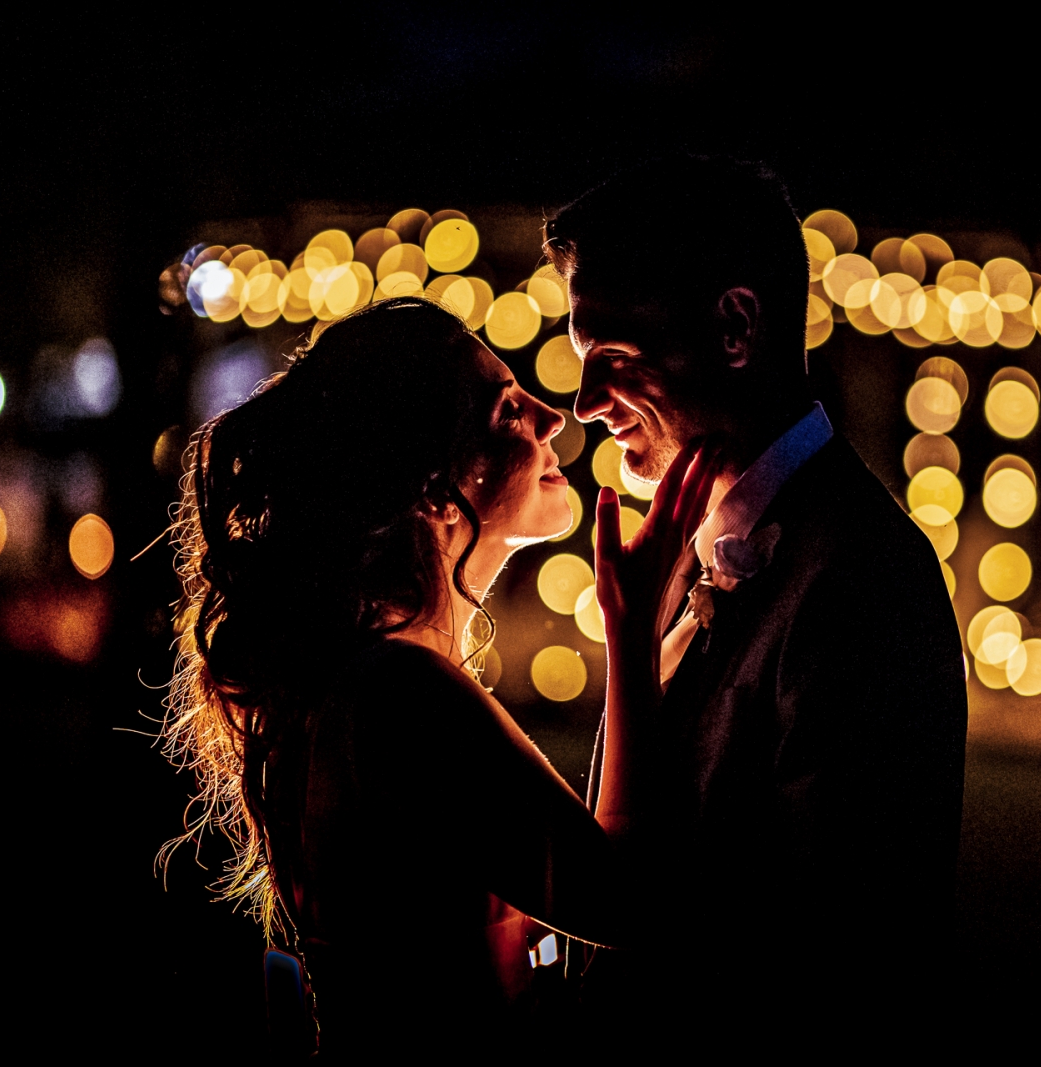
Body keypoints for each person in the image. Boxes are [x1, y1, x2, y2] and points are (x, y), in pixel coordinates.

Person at [158, 297, 717, 1056]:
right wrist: (628, 623)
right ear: (429, 483)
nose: (552, 417)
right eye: (506, 410)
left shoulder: (367, 681)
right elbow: (624, 898)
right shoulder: (398, 695)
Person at [545, 157, 968, 1024]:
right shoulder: (678, 557)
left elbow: (841, 950)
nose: (586, 402)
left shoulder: (859, 575)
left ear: (736, 328)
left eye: (615, 355)